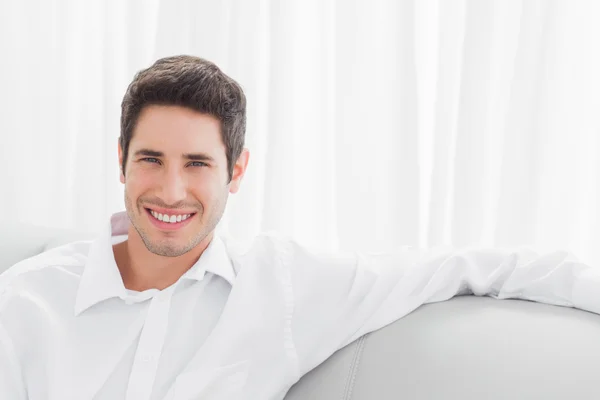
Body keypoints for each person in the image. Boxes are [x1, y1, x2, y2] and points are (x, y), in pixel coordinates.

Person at [1, 55, 599, 400]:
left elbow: (470, 266)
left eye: (198, 164)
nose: (172, 191)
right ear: (121, 161)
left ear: (236, 172)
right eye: (151, 159)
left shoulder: (283, 286)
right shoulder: (27, 303)